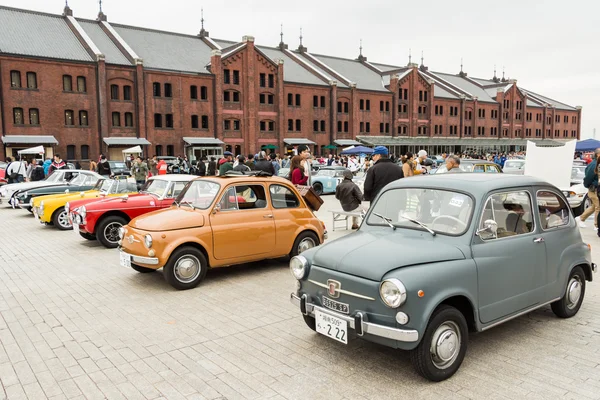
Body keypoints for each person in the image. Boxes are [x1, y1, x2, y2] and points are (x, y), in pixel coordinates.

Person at [578, 148, 600, 229]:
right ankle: (597, 225)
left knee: (594, 207)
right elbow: (588, 178)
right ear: (598, 155)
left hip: (595, 189)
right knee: (598, 207)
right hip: (594, 189)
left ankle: (581, 218)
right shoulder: (594, 165)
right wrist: (588, 185)